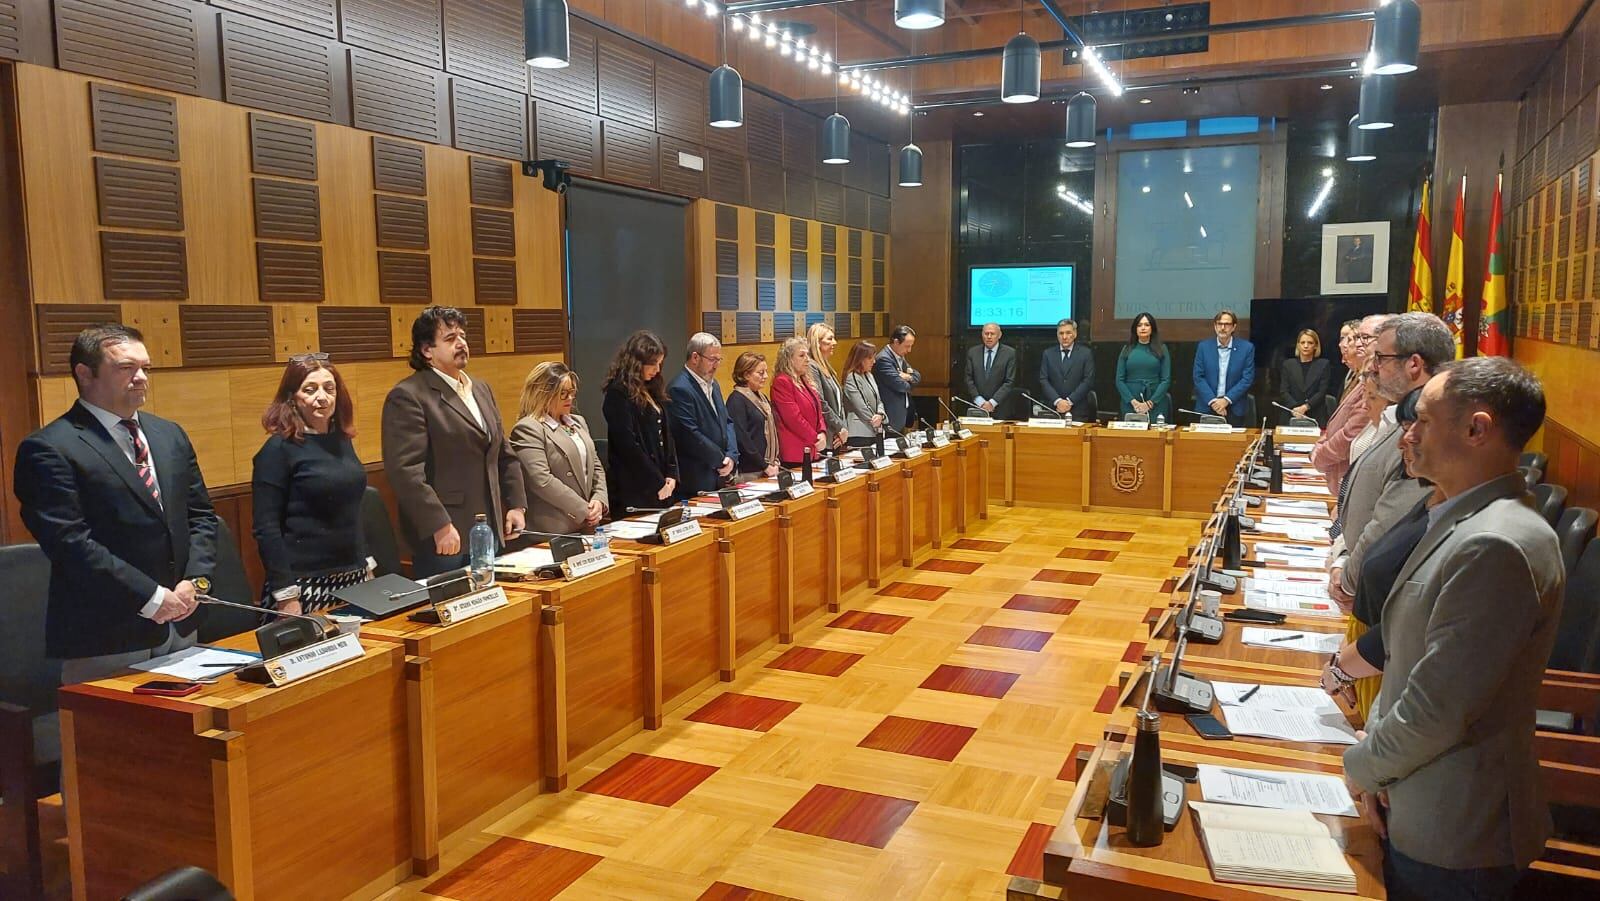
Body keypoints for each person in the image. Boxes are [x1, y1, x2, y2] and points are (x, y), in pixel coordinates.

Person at [1342, 356, 1563, 901]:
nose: (1407, 435)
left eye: (1423, 421)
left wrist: (1362, 768)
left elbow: (1439, 708)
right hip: (1413, 794)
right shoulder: (1461, 517)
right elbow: (1411, 654)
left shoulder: (1497, 543)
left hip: (1453, 830)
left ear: (1476, 429)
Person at [14, 324, 219, 682]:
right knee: (121, 738)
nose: (141, 378)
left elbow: (200, 515)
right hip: (108, 634)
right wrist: (152, 597)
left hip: (183, 620)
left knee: (185, 737)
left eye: (145, 368)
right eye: (126, 368)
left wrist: (196, 582)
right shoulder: (49, 448)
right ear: (84, 373)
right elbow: (70, 543)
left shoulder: (168, 434)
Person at [382, 306, 526, 577]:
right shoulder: (409, 395)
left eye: (462, 336)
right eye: (450, 339)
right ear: (427, 350)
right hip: (446, 536)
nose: (461, 344)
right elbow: (405, 472)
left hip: (489, 528)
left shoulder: (481, 389)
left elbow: (503, 452)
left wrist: (516, 504)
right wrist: (439, 525)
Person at [1328, 313, 1454, 605]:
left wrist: (1348, 579)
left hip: (1384, 593)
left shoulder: (1427, 429)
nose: (1372, 366)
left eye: (1381, 357)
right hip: (1368, 583)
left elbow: (1389, 523)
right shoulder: (1399, 415)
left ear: (1413, 364)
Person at [251, 353, 370, 615]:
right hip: (303, 585)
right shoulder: (278, 449)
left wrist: (367, 564)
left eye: (329, 388)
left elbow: (352, 510)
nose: (322, 397)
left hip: (353, 577)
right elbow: (266, 528)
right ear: (292, 397)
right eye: (310, 389)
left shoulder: (341, 440)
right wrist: (285, 593)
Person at [510, 362, 608, 536]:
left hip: (587, 523)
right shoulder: (528, 428)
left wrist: (599, 500)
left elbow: (596, 465)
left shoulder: (578, 422)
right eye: (563, 394)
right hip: (553, 528)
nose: (570, 398)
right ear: (543, 394)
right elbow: (541, 480)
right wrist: (582, 509)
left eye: (572, 393)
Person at [602, 330, 679, 514]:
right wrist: (657, 482)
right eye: (653, 364)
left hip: (663, 484)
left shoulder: (652, 388)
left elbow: (667, 435)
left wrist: (671, 474)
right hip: (636, 487)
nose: (657, 370)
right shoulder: (618, 394)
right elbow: (628, 446)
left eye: (660, 364)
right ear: (636, 363)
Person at [1312, 315, 1384, 490]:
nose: (1356, 344)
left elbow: (1350, 433)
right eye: (1355, 338)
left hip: (1350, 477)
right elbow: (1338, 425)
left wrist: (1318, 456)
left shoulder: (1378, 381)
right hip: (1341, 478)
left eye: (1363, 338)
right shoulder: (1359, 375)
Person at [667, 332, 738, 498]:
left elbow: (727, 422)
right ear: (695, 357)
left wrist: (732, 456)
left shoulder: (715, 385)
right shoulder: (679, 388)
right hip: (696, 478)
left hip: (718, 475)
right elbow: (690, 434)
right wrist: (721, 460)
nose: (716, 365)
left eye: (718, 360)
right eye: (712, 359)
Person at [1192, 309, 1256, 425]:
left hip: (1234, 407)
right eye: (1219, 324)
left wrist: (1226, 400)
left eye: (1226, 324)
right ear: (1215, 326)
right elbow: (1198, 377)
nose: (1222, 327)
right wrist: (1213, 401)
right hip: (1208, 406)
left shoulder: (1246, 348)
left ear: (1234, 327)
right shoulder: (1204, 347)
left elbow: (1247, 379)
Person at [770, 337, 826, 466]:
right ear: (789, 359)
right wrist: (815, 437)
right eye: (801, 355)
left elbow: (818, 411)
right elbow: (793, 418)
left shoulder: (804, 380)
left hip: (812, 448)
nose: (807, 359)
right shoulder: (782, 382)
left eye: (807, 355)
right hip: (795, 451)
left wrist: (822, 432)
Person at [726, 351, 781, 481]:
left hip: (768, 467)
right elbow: (742, 439)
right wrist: (764, 465)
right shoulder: (736, 400)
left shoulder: (762, 397)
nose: (766, 376)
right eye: (760, 373)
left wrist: (774, 461)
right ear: (746, 375)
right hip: (749, 471)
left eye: (766, 372)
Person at [1115, 312, 1171, 421]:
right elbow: (1119, 380)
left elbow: (1166, 380)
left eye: (1147, 325)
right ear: (1135, 329)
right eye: (1139, 325)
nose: (1143, 328)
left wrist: (1149, 404)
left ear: (1152, 328)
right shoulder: (1127, 349)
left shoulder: (1161, 349)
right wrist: (1134, 402)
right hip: (1131, 403)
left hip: (1155, 402)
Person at [1038, 318, 1094, 420]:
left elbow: (1088, 380)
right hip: (1053, 410)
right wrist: (1058, 401)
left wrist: (1069, 401)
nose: (1064, 337)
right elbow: (1043, 380)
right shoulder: (1048, 354)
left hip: (1078, 410)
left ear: (1075, 334)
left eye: (1068, 333)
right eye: (1061, 333)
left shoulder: (1085, 354)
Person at [963, 322, 1018, 419]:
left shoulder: (1009, 353)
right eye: (986, 333)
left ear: (999, 335)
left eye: (992, 334)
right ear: (982, 334)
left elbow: (1009, 381)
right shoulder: (973, 352)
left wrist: (992, 403)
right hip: (977, 407)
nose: (989, 337)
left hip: (1000, 408)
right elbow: (968, 379)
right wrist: (980, 402)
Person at [807, 323, 848, 450]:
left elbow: (839, 404)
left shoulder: (827, 367)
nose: (834, 342)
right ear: (817, 342)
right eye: (829, 339)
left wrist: (843, 428)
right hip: (827, 436)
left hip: (837, 435)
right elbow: (820, 402)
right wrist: (839, 427)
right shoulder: (812, 366)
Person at [873, 325, 921, 432]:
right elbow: (901, 386)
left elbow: (917, 376)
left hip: (902, 415)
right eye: (907, 346)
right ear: (896, 342)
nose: (909, 350)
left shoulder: (899, 357)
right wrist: (909, 381)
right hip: (891, 416)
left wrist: (907, 376)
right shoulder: (884, 359)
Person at [1277, 329, 1331, 424]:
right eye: (1302, 342)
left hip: (1315, 413)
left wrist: (1305, 407)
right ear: (1298, 345)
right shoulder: (1288, 364)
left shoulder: (1323, 364)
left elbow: (1322, 392)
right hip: (1292, 412)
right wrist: (1297, 408)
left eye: (1310, 343)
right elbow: (1284, 391)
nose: (1306, 346)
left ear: (1316, 346)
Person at [841, 340, 886, 448]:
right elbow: (861, 406)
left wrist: (881, 414)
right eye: (870, 358)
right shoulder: (852, 377)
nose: (874, 361)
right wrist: (876, 421)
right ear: (860, 359)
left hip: (874, 429)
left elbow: (878, 400)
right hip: (859, 433)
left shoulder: (869, 375)